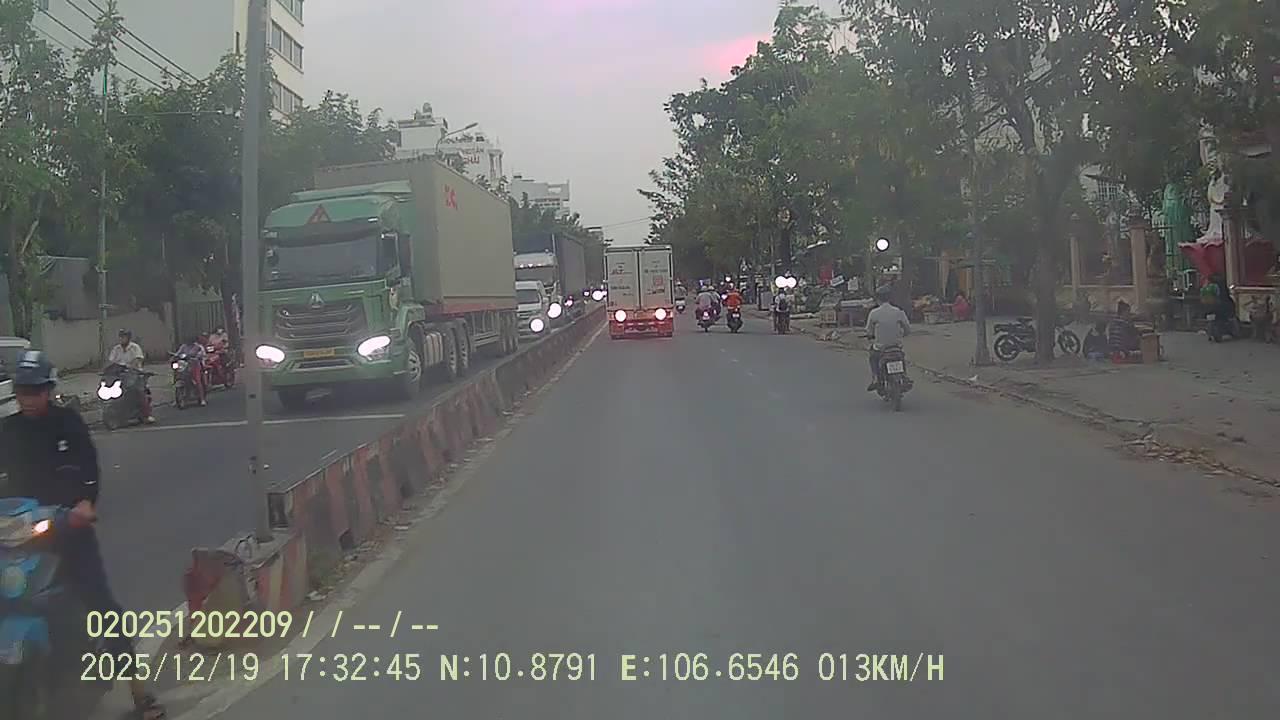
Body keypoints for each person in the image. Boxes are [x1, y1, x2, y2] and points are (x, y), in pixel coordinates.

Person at [0, 351, 167, 720]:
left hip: (64, 529)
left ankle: (139, 691)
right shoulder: (8, 430)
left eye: (36, 391)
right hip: (16, 535)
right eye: (23, 391)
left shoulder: (68, 423)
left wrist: (84, 504)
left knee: (101, 605)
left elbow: (89, 471)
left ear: (49, 390)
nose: (29, 398)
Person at [865, 285, 911, 391]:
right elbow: (907, 329)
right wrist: (902, 335)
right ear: (890, 298)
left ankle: (876, 378)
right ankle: (904, 376)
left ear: (878, 299)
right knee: (901, 357)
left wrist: (870, 336)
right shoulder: (898, 311)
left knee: (872, 356)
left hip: (881, 348)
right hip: (896, 346)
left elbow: (869, 331)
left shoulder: (874, 313)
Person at [107, 329, 154, 423]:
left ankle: (147, 415)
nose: (122, 339)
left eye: (124, 337)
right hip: (119, 375)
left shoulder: (135, 347)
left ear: (128, 338)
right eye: (120, 337)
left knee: (139, 392)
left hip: (135, 374)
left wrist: (130, 366)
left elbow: (137, 360)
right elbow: (111, 361)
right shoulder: (116, 349)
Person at [175, 335, 208, 406]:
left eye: (190, 340)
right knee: (177, 373)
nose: (188, 342)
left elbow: (201, 355)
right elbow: (178, 353)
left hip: (194, 365)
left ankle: (202, 399)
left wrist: (197, 357)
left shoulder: (198, 347)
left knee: (197, 381)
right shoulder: (183, 346)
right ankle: (178, 397)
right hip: (184, 365)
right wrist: (174, 356)